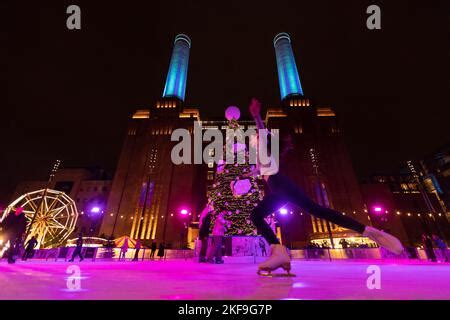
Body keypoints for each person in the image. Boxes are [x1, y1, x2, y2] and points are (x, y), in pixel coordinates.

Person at [246, 98, 404, 274]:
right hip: (282, 186)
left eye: (258, 135)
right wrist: (248, 174)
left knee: (257, 215)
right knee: (318, 211)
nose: (256, 137)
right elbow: (261, 170)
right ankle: (368, 231)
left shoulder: (265, 144)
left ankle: (278, 251)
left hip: (280, 186)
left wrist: (256, 116)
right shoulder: (263, 154)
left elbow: (261, 130)